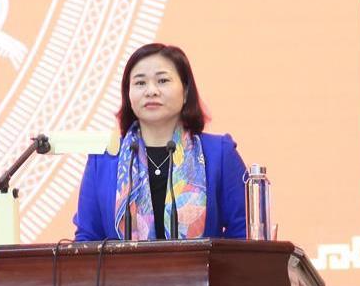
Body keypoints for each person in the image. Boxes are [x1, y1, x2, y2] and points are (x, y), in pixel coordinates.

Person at [73, 43, 247, 241]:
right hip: (123, 264)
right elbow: (87, 237)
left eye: (163, 80)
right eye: (140, 83)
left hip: (201, 264)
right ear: (128, 94)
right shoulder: (104, 159)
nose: (151, 91)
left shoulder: (219, 153)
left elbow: (243, 231)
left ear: (185, 91)